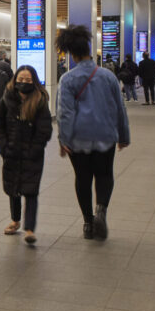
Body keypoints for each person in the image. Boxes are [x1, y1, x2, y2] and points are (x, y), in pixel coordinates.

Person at [57, 25, 130, 240]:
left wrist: (64, 139)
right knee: (105, 174)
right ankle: (101, 210)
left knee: (82, 178)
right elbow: (120, 107)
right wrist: (124, 135)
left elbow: (66, 114)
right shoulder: (108, 76)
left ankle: (88, 222)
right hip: (106, 135)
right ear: (89, 48)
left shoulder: (68, 79)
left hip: (79, 138)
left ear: (70, 52)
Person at [0, 65, 52, 245]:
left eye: (27, 80)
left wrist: (35, 148)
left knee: (31, 190)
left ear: (34, 81)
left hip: (33, 154)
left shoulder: (40, 101)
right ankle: (15, 220)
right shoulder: (7, 99)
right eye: (21, 79)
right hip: (11, 151)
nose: (23, 83)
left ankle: (30, 228)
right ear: (15, 80)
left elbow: (45, 129)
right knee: (13, 188)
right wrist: (3, 145)